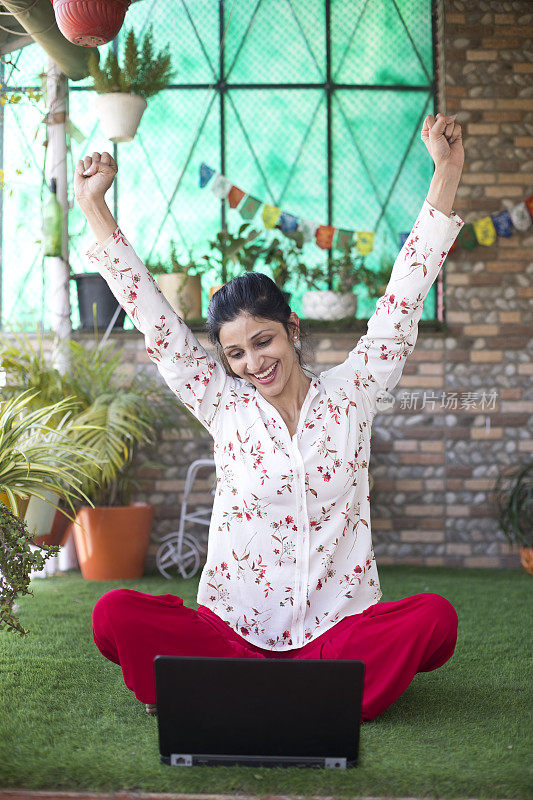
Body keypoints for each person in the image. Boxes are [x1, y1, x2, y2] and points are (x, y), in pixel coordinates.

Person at [75, 112, 464, 722]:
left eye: (264, 342)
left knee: (435, 618)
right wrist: (96, 205)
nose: (253, 362)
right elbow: (153, 318)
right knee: (113, 615)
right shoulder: (222, 404)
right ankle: (288, 696)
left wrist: (446, 171)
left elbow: (403, 300)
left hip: (335, 640)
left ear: (292, 330)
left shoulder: (352, 393)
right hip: (233, 638)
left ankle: (231, 693)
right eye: (235, 352)